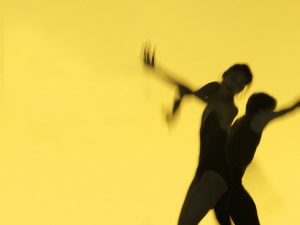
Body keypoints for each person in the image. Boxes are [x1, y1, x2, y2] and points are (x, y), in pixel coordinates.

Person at [142, 44, 253, 225]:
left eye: (239, 85)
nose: (233, 85)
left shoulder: (230, 108)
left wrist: (157, 70)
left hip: (217, 171)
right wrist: (173, 113)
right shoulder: (214, 89)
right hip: (203, 169)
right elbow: (185, 93)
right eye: (233, 78)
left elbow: (187, 91)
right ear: (225, 74)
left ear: (240, 91)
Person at [214, 93, 300, 225]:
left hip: (221, 181)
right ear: (263, 110)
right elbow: (287, 110)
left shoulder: (238, 122)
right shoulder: (257, 119)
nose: (271, 114)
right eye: (271, 110)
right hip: (230, 182)